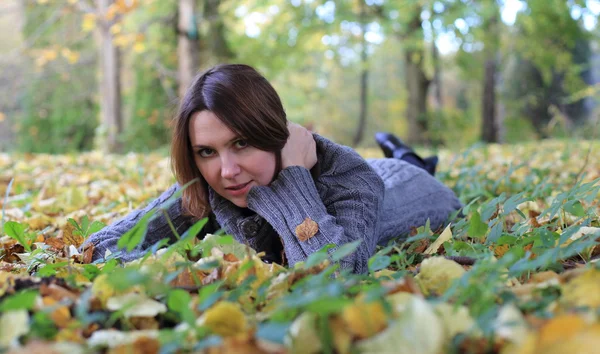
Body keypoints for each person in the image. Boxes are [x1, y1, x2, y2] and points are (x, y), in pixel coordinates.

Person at [85, 64, 462, 274]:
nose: (227, 171)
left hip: (409, 185)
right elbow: (98, 247)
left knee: (409, 166)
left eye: (241, 143)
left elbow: (333, 274)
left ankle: (407, 156)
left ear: (274, 134)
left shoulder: (351, 178)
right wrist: (187, 269)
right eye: (206, 151)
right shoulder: (210, 182)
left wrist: (292, 178)